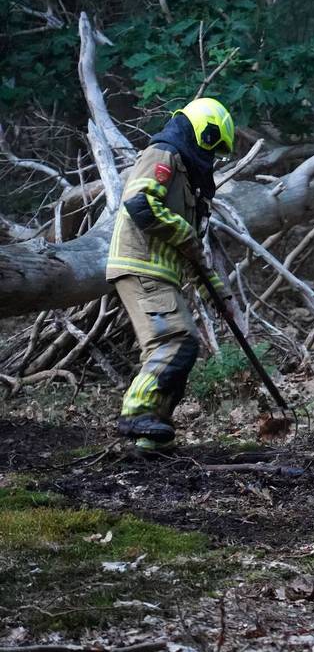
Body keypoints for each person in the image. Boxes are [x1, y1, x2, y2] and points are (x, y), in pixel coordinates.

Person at [106, 97, 239, 452]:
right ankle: (137, 413)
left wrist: (220, 298)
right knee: (175, 342)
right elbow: (140, 203)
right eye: (213, 144)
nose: (213, 156)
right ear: (201, 131)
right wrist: (184, 233)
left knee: (177, 347)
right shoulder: (163, 155)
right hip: (141, 265)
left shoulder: (188, 181)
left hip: (161, 272)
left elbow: (194, 253)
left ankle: (151, 437)